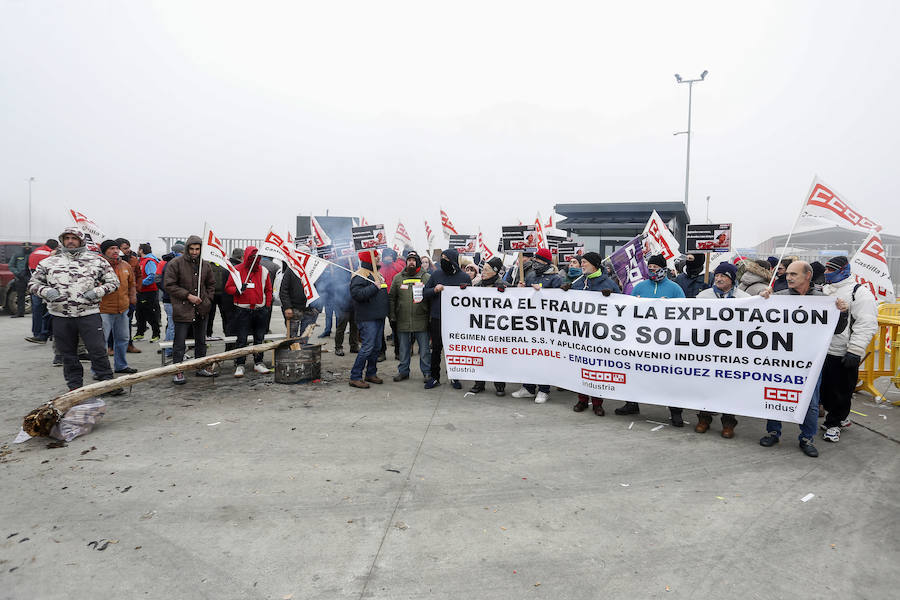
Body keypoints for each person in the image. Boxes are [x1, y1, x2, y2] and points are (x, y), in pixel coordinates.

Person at [758, 261, 849, 457]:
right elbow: (759, 321)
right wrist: (761, 300)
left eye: (794, 274)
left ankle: (807, 438)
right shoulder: (778, 298)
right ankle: (773, 432)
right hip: (781, 359)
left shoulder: (824, 300)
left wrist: (842, 312)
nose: (789, 277)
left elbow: (839, 329)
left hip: (810, 362)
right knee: (775, 394)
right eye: (788, 274)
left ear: (807, 276)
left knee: (811, 401)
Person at [28, 228, 122, 395]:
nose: (70, 241)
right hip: (60, 315)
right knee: (68, 353)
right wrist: (46, 291)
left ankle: (107, 384)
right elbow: (33, 283)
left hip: (89, 314)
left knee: (97, 350)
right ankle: (75, 387)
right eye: (67, 238)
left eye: (74, 238)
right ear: (62, 241)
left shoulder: (96, 261)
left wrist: (97, 292)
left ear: (81, 241)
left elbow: (113, 282)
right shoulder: (49, 262)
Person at [616, 254, 685, 420]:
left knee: (670, 377)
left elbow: (685, 312)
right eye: (651, 267)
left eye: (656, 267)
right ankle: (632, 403)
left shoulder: (675, 288)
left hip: (666, 342)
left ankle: (676, 412)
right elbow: (628, 310)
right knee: (635, 372)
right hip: (642, 340)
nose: (653, 270)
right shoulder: (640, 287)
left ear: (664, 269)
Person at [820, 256, 878, 443]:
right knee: (826, 389)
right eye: (826, 269)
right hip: (823, 350)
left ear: (843, 270)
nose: (827, 273)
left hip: (843, 352)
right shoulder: (824, 290)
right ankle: (839, 417)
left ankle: (834, 424)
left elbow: (866, 324)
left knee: (842, 391)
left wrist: (855, 350)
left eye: (831, 270)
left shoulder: (859, 293)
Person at [692, 262, 749, 437]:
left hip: (731, 352)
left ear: (732, 279)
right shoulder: (703, 296)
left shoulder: (744, 298)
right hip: (707, 350)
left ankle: (728, 422)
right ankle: (704, 419)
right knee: (706, 384)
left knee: (728, 387)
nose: (718, 278)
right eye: (717, 275)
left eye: (723, 275)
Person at [566, 251, 621, 415]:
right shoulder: (578, 282)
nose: (582, 265)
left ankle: (597, 403)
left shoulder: (608, 283)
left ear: (595, 265)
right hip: (581, 333)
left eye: (584, 262)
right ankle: (582, 400)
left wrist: (611, 298)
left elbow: (621, 305)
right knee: (581, 367)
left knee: (597, 368)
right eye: (581, 262)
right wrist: (564, 292)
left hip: (600, 335)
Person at [512, 248, 563, 403]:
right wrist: (521, 290)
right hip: (530, 324)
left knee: (543, 358)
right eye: (535, 259)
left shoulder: (556, 278)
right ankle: (528, 387)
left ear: (546, 262)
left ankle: (543, 389)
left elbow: (559, 301)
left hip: (546, 325)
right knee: (528, 356)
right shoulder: (531, 275)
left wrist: (543, 293)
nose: (535, 262)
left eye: (539, 260)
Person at [164, 235, 216, 384]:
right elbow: (169, 285)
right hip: (182, 308)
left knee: (201, 341)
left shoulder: (205, 265)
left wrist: (207, 300)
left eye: (197, 249)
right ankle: (178, 371)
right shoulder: (176, 263)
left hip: (201, 309)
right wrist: (187, 296)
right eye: (192, 249)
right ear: (187, 248)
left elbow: (211, 284)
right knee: (179, 342)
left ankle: (200, 367)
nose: (194, 252)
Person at [422, 249, 471, 389]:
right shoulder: (436, 274)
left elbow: (471, 298)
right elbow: (425, 292)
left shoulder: (464, 278)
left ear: (453, 260)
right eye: (441, 257)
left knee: (454, 349)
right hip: (438, 317)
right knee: (436, 348)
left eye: (445, 258)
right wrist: (434, 290)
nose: (443, 260)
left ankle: (454, 376)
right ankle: (434, 377)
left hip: (456, 320)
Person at [225, 245, 273, 377]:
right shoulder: (237, 270)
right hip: (242, 310)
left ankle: (258, 362)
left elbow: (268, 289)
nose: (254, 259)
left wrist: (267, 305)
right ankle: (240, 364)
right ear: (246, 256)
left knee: (259, 338)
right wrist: (238, 289)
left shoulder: (264, 271)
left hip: (260, 309)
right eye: (251, 257)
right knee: (242, 339)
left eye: (257, 257)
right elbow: (228, 287)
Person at [349, 250, 389, 388]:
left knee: (376, 347)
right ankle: (355, 376)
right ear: (370, 258)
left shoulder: (377, 274)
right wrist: (373, 287)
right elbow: (356, 294)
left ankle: (371, 373)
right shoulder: (360, 275)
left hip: (378, 316)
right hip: (367, 318)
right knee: (367, 348)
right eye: (376, 256)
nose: (379, 258)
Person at [389, 251, 432, 383]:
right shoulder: (398, 278)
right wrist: (392, 315)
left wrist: (430, 317)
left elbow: (431, 299)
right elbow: (392, 298)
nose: (411, 262)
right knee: (403, 348)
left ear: (417, 262)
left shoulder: (426, 277)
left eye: (414, 260)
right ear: (406, 262)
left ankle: (427, 372)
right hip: (403, 319)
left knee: (424, 349)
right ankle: (403, 371)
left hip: (421, 319)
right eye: (409, 260)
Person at [468, 257, 508, 396]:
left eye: (486, 270)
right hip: (481, 327)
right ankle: (479, 384)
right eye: (483, 269)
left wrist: (512, 291)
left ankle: (499, 385)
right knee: (480, 355)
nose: (483, 272)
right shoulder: (478, 285)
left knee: (497, 357)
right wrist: (463, 292)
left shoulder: (503, 285)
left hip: (497, 328)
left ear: (495, 272)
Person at [98, 240, 137, 375]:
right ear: (104, 251)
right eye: (111, 249)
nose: (115, 251)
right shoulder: (98, 266)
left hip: (123, 308)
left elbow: (132, 284)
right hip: (103, 309)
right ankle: (100, 370)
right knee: (101, 341)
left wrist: (133, 298)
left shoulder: (125, 265)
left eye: (116, 248)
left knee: (123, 338)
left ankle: (121, 365)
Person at [25, 239, 58, 343]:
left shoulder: (34, 252)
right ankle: (47, 333)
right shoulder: (51, 255)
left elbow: (28, 268)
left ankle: (37, 333)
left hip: (36, 286)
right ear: (55, 247)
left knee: (37, 310)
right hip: (48, 288)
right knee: (50, 311)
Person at [115, 238, 142, 354]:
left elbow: (139, 275)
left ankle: (129, 345)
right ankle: (110, 347)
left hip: (130, 296)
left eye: (128, 247)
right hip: (115, 297)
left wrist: (137, 289)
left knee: (128, 321)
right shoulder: (111, 262)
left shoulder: (133, 260)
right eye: (125, 248)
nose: (128, 250)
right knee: (112, 324)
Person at [280, 264, 318, 343]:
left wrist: (318, 307)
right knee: (292, 337)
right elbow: (283, 290)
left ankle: (302, 352)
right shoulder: (291, 269)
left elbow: (320, 288)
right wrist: (287, 307)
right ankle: (293, 352)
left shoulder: (314, 269)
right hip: (294, 309)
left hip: (310, 309)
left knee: (305, 336)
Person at [159, 243, 183, 357]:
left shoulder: (169, 263)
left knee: (172, 325)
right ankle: (169, 350)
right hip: (171, 300)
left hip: (170, 299)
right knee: (173, 326)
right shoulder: (172, 265)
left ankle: (170, 349)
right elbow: (167, 284)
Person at [134, 243, 161, 342]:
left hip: (149, 291)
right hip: (141, 291)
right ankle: (140, 333)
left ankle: (156, 333)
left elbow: (152, 275)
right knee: (139, 312)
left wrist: (140, 283)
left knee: (149, 313)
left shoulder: (149, 261)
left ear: (141, 250)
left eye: (138, 249)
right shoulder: (142, 261)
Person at [8, 242, 32, 318]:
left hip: (31, 277)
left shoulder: (33, 254)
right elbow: (11, 265)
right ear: (22, 247)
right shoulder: (17, 254)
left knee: (33, 296)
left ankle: (35, 313)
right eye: (25, 247)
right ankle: (20, 313)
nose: (27, 248)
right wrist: (17, 273)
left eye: (28, 247)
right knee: (20, 296)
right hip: (20, 277)